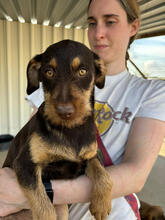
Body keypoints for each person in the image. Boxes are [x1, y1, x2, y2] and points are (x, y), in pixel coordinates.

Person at [0, 0, 165, 219]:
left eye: (110, 21)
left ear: (133, 27)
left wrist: (40, 193)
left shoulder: (152, 91)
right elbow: (34, 152)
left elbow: (136, 175)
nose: (98, 33)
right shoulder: (49, 90)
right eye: (92, 22)